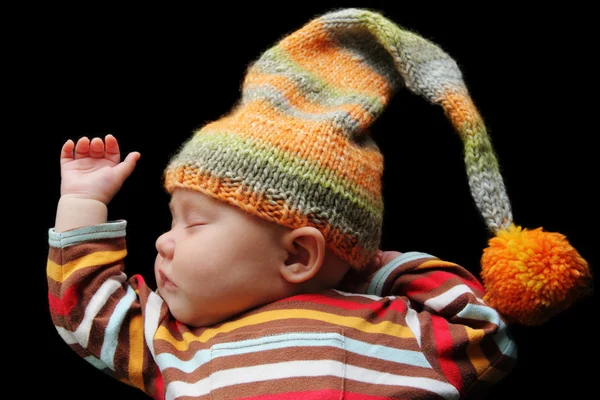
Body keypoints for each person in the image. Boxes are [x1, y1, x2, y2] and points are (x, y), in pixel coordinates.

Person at [47, 7, 590, 400]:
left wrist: (361, 263)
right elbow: (87, 311)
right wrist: (81, 201)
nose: (162, 242)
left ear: (297, 256)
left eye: (194, 224)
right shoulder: (172, 341)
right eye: (173, 222)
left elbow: (486, 326)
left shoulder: (401, 329)